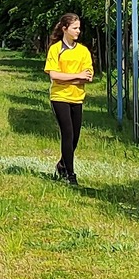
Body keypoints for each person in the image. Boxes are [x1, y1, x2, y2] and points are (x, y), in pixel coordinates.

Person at [45, 13, 93, 184]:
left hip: (77, 98)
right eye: (75, 28)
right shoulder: (55, 49)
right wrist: (77, 76)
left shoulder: (83, 51)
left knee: (75, 138)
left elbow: (88, 77)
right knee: (67, 133)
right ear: (65, 29)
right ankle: (70, 174)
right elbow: (54, 75)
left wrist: (68, 78)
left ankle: (62, 164)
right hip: (59, 97)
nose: (78, 31)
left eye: (79, 28)